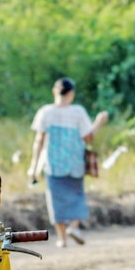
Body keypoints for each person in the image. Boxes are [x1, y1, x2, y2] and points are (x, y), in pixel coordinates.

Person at [27, 77, 108, 248]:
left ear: (54, 92)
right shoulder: (78, 112)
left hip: (53, 164)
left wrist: (33, 167)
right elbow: (88, 136)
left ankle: (62, 239)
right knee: (76, 196)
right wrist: (99, 122)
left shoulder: (45, 112)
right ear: (71, 94)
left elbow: (39, 141)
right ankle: (74, 227)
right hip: (74, 163)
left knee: (56, 199)